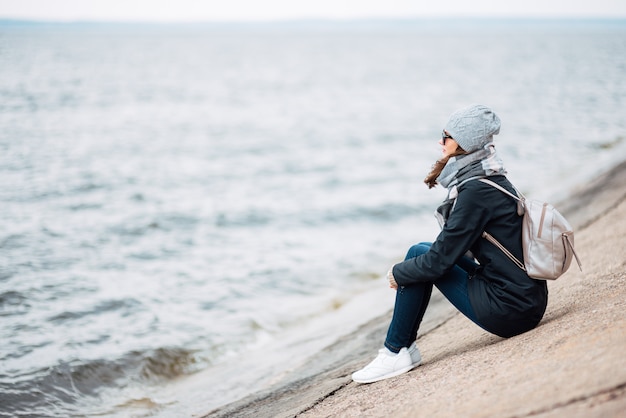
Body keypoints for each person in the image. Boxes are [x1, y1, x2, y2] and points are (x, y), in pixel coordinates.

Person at [352, 104, 548, 384]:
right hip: (527, 298)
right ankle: (400, 350)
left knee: (417, 257)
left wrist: (397, 273)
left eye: (446, 136)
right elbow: (450, 252)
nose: (440, 142)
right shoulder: (493, 177)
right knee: (419, 251)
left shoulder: (475, 192)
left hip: (511, 309)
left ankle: (395, 351)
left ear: (464, 141)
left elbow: (438, 262)